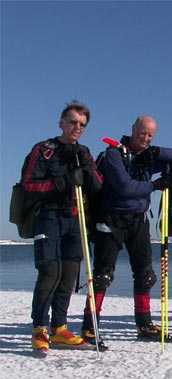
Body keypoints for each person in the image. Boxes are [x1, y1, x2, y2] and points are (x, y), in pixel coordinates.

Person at [81, 115, 172, 345]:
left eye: (150, 135)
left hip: (138, 220)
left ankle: (144, 323)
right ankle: (90, 325)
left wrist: (155, 152)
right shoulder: (113, 155)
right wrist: (154, 185)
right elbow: (125, 186)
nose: (145, 138)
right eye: (142, 133)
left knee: (145, 275)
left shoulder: (145, 157)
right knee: (102, 276)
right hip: (112, 219)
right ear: (133, 129)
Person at [22, 100, 103, 352]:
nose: (77, 127)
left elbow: (97, 185)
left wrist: (88, 173)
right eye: (72, 122)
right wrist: (63, 182)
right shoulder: (45, 149)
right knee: (50, 273)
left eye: (82, 125)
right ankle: (40, 328)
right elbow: (28, 185)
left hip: (76, 219)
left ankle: (59, 328)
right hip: (49, 216)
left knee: (68, 275)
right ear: (61, 122)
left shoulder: (84, 152)